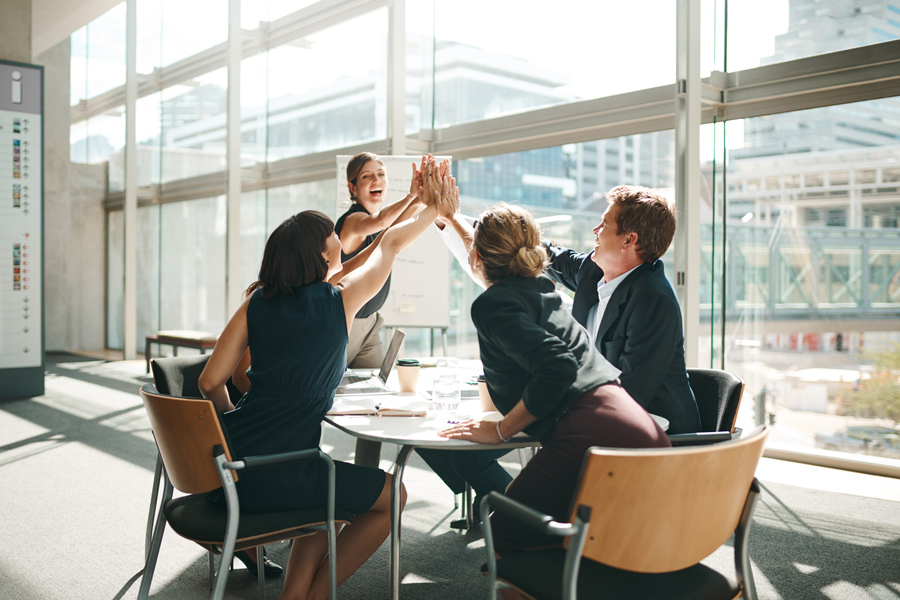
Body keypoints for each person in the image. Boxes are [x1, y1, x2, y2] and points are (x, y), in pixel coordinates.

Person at [197, 172, 439, 600]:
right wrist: (437, 209)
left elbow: (211, 380)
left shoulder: (258, 301)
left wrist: (233, 419)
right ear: (318, 253)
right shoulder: (340, 301)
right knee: (392, 495)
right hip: (281, 474)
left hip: (229, 467)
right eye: (332, 235)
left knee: (328, 488)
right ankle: (315, 597)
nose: (337, 238)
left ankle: (295, 595)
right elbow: (390, 246)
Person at [434, 199, 671, 568]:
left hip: (590, 432)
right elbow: (494, 275)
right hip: (640, 426)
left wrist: (502, 430)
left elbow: (556, 367)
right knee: (596, 549)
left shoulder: (493, 305)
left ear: (476, 256)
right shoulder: (543, 288)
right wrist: (451, 218)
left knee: (504, 539)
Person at [544, 185, 701, 434]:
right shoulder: (593, 271)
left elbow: (631, 393)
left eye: (604, 224)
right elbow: (548, 255)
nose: (595, 230)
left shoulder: (653, 301)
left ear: (629, 239)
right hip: (605, 420)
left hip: (660, 438)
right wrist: (481, 226)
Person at [334, 152, 425, 368]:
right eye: (366, 176)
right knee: (334, 390)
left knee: (377, 389)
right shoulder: (353, 221)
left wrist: (422, 198)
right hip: (345, 324)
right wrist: (410, 196)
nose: (376, 180)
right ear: (352, 187)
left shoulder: (377, 227)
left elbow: (396, 229)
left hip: (371, 324)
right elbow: (383, 220)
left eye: (381, 174)